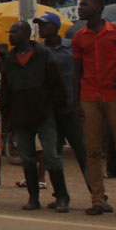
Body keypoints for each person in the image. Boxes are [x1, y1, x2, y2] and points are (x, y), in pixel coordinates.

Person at [72, 0, 116, 217]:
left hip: (114, 95)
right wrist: (77, 102)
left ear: (98, 8)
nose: (79, 9)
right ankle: (98, 200)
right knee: (92, 150)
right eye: (79, 5)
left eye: (84, 5)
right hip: (89, 96)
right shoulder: (79, 37)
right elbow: (77, 71)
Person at [0, 21, 70, 212]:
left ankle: (62, 196)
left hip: (43, 113)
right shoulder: (10, 60)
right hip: (20, 114)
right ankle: (33, 197)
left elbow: (56, 82)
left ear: (25, 33)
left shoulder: (43, 55)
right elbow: (5, 89)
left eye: (13, 32)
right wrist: (7, 115)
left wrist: (52, 106)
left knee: (51, 155)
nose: (10, 35)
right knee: (27, 157)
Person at [35, 12, 87, 204]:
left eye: (45, 24)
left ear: (56, 27)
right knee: (52, 155)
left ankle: (98, 195)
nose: (41, 28)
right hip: (49, 110)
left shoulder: (71, 47)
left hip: (70, 107)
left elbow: (80, 74)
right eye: (39, 25)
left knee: (82, 151)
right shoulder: (38, 50)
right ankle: (60, 195)